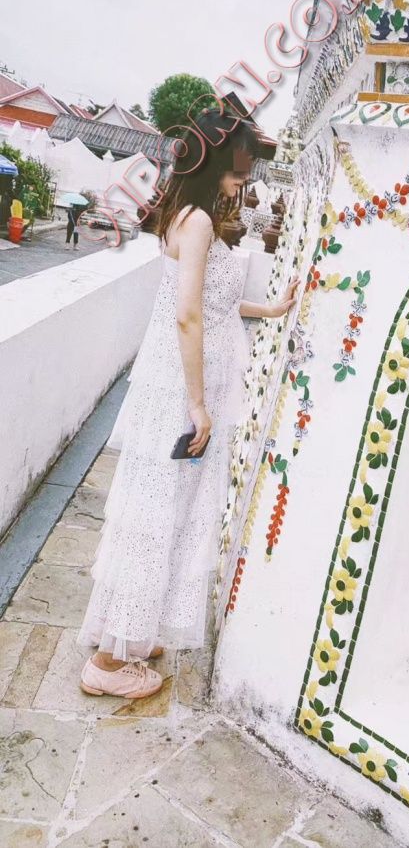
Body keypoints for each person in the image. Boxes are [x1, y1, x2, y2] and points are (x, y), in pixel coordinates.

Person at [76, 97, 299, 699]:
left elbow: (212, 302)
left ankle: (128, 632)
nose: (245, 178)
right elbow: (188, 316)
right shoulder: (196, 221)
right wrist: (198, 405)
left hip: (181, 386)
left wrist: (270, 309)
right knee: (155, 514)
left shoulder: (186, 214)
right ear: (217, 162)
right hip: (181, 392)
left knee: (161, 511)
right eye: (240, 165)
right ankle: (108, 663)